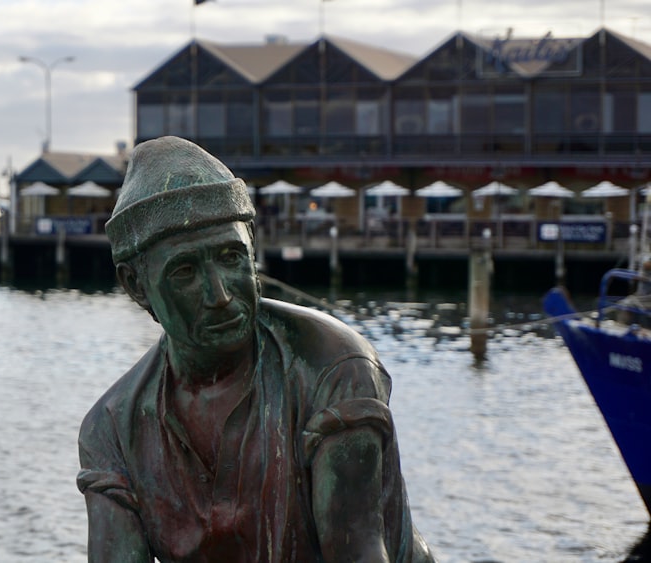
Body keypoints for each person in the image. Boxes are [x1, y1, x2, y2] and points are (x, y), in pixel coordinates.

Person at [77, 136, 434, 562]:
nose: (221, 295)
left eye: (231, 257)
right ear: (137, 286)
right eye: (186, 271)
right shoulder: (113, 428)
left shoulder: (331, 366)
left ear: (253, 254)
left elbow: (356, 551)